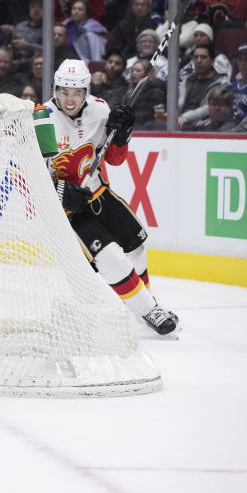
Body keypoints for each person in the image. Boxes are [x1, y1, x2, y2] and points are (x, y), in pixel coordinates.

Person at [43, 59, 178, 337]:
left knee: (136, 246)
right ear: (55, 89)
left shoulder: (100, 110)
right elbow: (27, 173)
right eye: (64, 92)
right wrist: (62, 193)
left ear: (86, 91)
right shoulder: (42, 120)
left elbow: (115, 159)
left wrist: (122, 134)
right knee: (109, 257)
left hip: (99, 193)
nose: (70, 100)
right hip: (68, 212)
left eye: (77, 93)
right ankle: (149, 310)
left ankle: (147, 307)